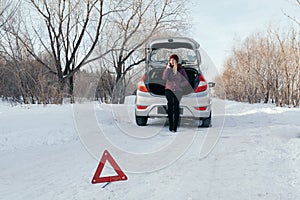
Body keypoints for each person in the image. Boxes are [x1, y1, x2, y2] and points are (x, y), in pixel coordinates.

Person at [162, 54, 189, 132]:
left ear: (176, 61)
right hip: (169, 90)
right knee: (170, 107)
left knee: (176, 107)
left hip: (178, 91)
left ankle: (175, 127)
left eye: (173, 60)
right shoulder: (168, 69)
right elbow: (164, 77)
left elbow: (186, 80)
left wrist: (180, 85)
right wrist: (167, 68)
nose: (172, 62)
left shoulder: (181, 70)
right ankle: (170, 125)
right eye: (170, 60)